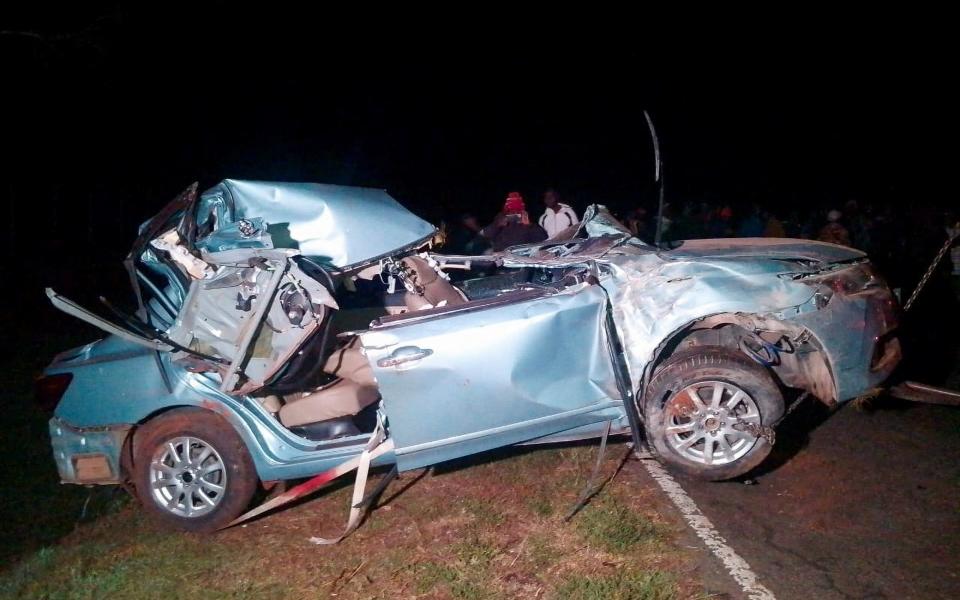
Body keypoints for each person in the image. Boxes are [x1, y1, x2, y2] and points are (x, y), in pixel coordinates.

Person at [480, 192, 547, 251]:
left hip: (521, 256)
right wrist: (497, 225)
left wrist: (529, 225)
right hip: (501, 257)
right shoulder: (500, 219)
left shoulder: (528, 223)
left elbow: (542, 239)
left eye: (517, 210)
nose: (514, 213)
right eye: (511, 210)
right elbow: (483, 235)